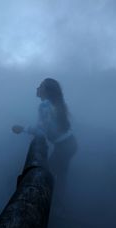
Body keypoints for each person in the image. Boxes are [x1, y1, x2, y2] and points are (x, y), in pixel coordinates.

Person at [12, 78, 77, 211]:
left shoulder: (45, 106)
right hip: (70, 143)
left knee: (46, 173)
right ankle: (59, 203)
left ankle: (47, 207)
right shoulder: (57, 103)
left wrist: (22, 129)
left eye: (40, 86)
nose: (37, 88)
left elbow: (42, 131)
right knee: (61, 174)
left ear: (46, 91)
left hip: (63, 147)